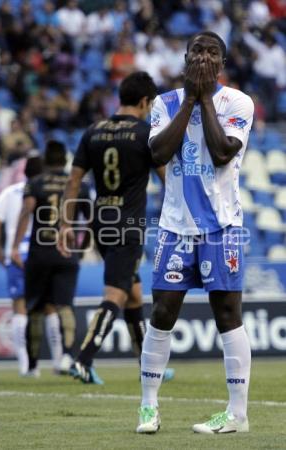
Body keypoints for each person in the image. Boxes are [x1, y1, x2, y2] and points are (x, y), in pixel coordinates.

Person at [136, 31, 254, 434]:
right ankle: (148, 407)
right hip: (174, 226)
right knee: (163, 312)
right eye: (198, 51)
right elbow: (157, 154)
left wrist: (204, 98)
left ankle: (238, 415)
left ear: (222, 63)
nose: (205, 57)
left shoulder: (237, 102)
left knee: (227, 315)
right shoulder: (164, 103)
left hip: (222, 226)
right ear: (185, 57)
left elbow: (222, 153)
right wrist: (189, 98)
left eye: (213, 52)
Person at [57, 71, 174, 384]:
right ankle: (82, 359)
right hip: (129, 224)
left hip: (100, 221)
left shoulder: (93, 131)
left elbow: (73, 181)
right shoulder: (145, 133)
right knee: (117, 293)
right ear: (145, 101)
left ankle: (147, 365)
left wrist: (65, 224)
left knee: (133, 293)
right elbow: (167, 179)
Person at [11, 141, 80, 375]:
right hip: (67, 253)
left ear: (46, 160)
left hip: (40, 252)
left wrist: (13, 246)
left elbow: (26, 211)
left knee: (35, 308)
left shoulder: (35, 183)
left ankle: (31, 365)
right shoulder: (76, 183)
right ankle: (67, 356)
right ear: (65, 159)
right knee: (65, 306)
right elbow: (88, 216)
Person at [0, 151, 44, 375]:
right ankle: (59, 361)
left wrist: (0, 251)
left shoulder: (9, 193)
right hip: (41, 253)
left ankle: (26, 365)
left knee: (19, 307)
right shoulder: (50, 189)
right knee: (46, 307)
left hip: (17, 254)